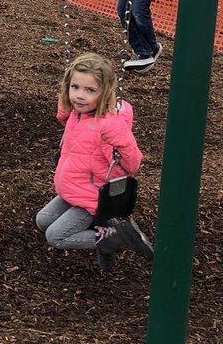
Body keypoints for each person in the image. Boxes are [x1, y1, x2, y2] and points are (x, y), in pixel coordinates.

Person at [36, 51, 154, 269]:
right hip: (75, 189)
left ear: (105, 93)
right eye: (75, 88)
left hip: (92, 198)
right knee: (42, 220)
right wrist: (64, 109)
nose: (80, 95)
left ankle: (117, 238)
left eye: (90, 90)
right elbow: (79, 137)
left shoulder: (109, 126)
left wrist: (124, 141)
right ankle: (105, 229)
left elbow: (132, 165)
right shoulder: (79, 113)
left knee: (55, 236)